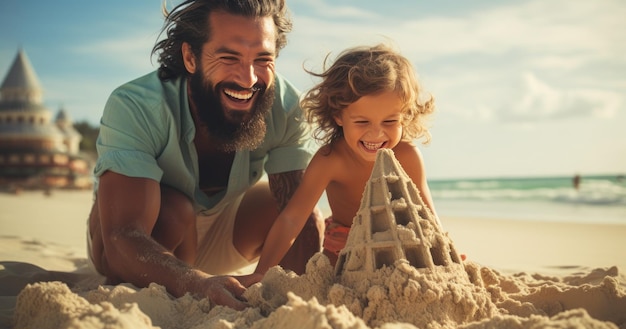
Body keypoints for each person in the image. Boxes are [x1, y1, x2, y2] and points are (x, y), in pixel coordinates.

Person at [87, 0, 323, 311]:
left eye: (262, 59)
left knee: (301, 210)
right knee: (175, 211)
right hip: (146, 238)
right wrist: (196, 282)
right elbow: (122, 236)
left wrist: (298, 298)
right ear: (190, 57)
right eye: (229, 57)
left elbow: (298, 217)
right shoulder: (136, 105)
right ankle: (174, 291)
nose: (249, 78)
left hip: (226, 234)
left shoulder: (286, 106)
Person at [238, 44, 441, 286]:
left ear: (405, 116)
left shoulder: (407, 156)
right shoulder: (330, 160)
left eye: (390, 121)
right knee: (337, 285)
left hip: (400, 243)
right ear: (338, 116)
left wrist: (443, 251)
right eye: (362, 121)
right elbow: (292, 219)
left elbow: (427, 215)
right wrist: (262, 271)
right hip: (343, 245)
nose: (376, 133)